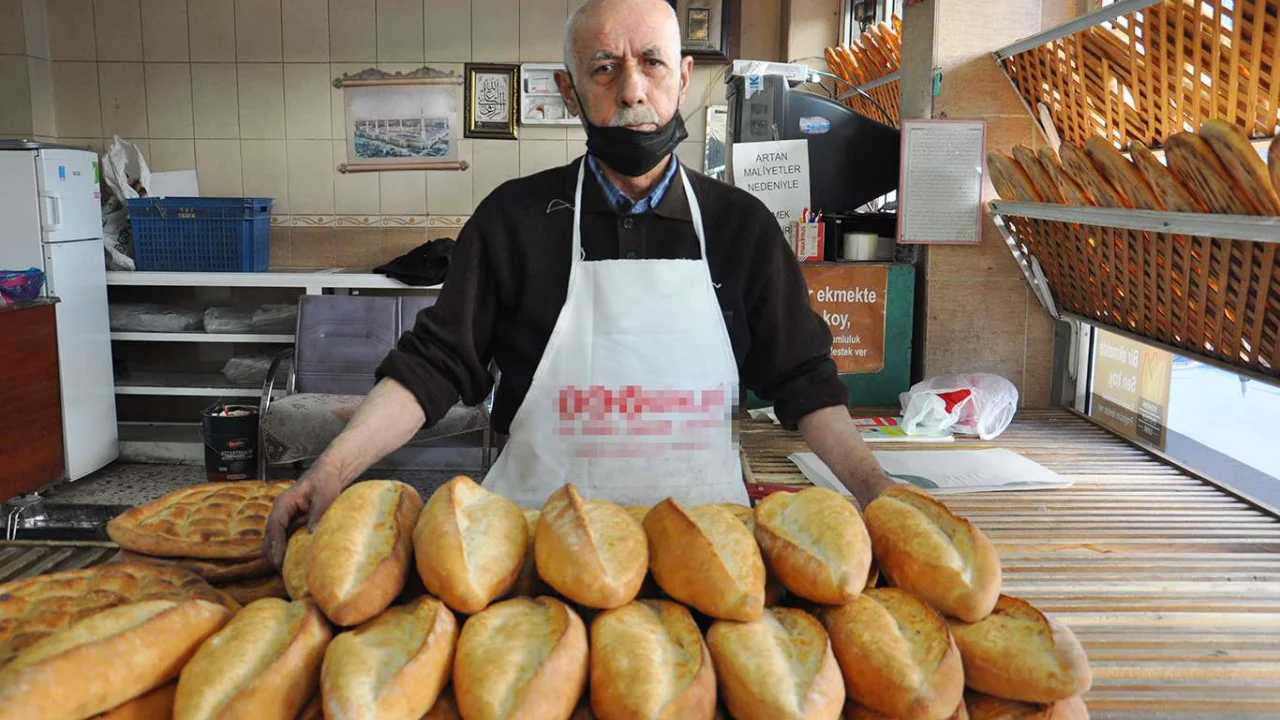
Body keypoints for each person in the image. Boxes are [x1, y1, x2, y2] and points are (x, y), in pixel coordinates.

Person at [264, 0, 893, 567]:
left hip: (704, 550)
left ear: (683, 75)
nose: (631, 91)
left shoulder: (740, 227)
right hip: (531, 546)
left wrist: (874, 489)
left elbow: (805, 380)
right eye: (603, 69)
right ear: (569, 90)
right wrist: (331, 470)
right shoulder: (513, 220)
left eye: (652, 63)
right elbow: (432, 366)